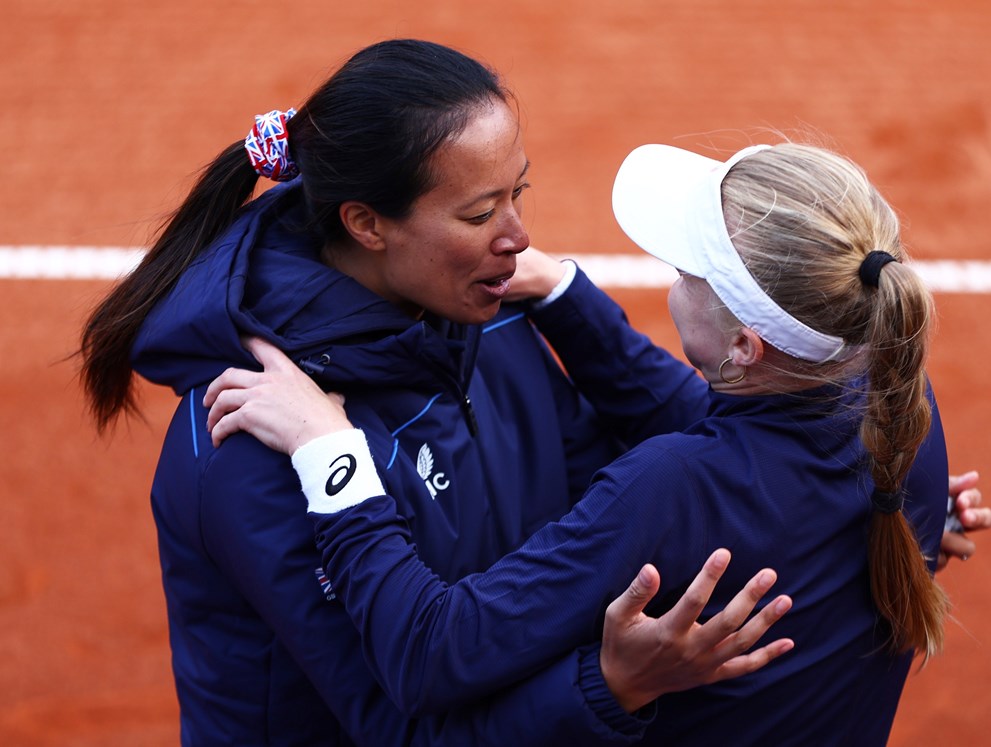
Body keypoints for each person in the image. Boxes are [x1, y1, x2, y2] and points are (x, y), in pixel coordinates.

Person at [78, 39, 793, 746]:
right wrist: (609, 687)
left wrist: (570, 299)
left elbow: (643, 481)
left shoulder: (489, 317)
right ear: (366, 223)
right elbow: (401, 729)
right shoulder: (248, 436)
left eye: (520, 192)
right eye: (481, 215)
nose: (519, 237)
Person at [206, 140, 963, 745]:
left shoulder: (672, 486)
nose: (671, 279)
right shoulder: (904, 430)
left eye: (686, 273)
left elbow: (433, 652)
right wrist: (560, 292)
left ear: (744, 347)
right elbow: (696, 411)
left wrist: (332, 455)